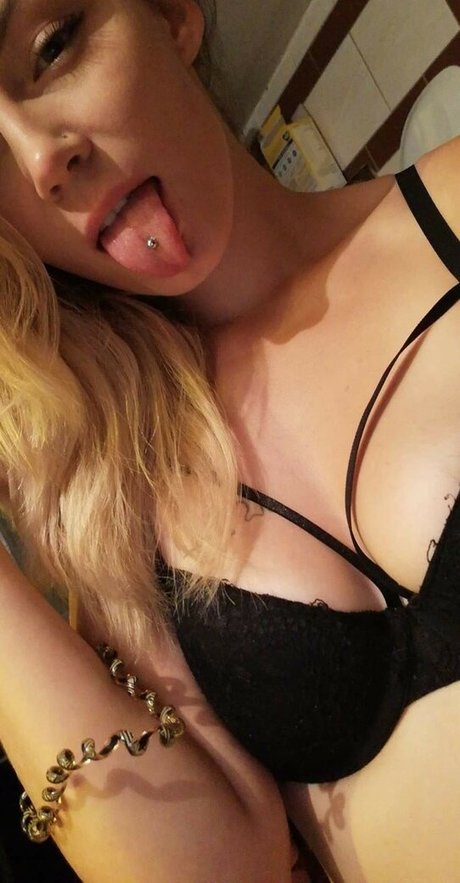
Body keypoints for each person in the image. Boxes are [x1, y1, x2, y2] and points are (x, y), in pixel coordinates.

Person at [0, 1, 459, 881]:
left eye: (52, 48)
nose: (42, 161)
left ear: (174, 18)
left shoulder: (453, 207)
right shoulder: (114, 511)